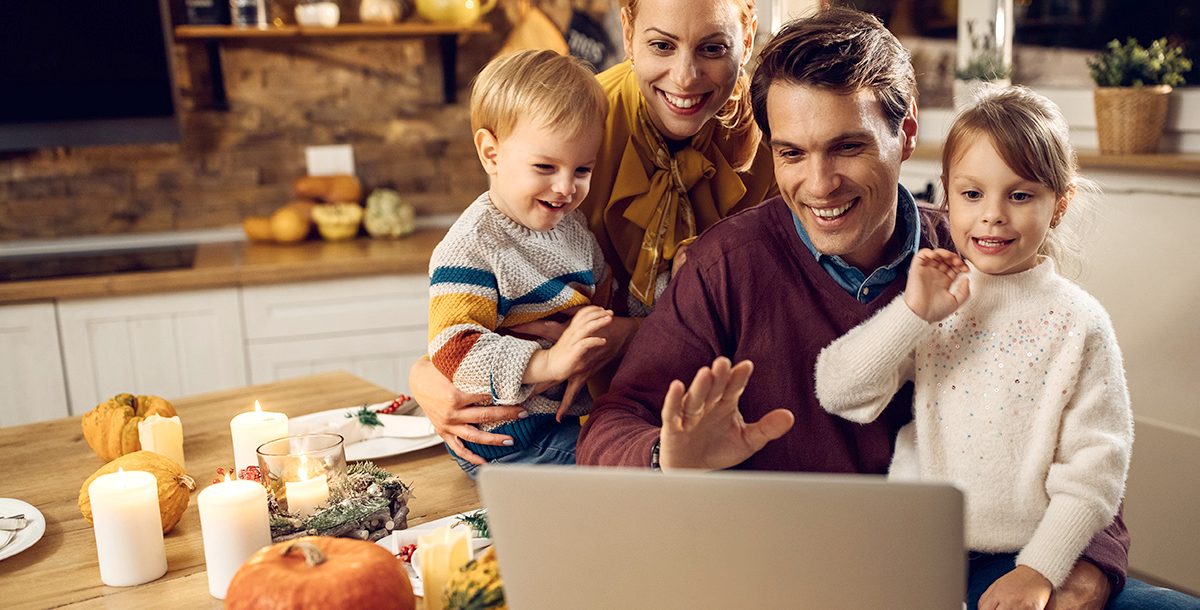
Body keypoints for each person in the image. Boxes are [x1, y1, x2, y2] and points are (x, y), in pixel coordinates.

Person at [575, 8, 1179, 608]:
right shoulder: (725, 266)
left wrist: (1085, 572)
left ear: (907, 133)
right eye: (791, 153)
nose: (819, 184)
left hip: (983, 572)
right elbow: (612, 424)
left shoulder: (983, 258)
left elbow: (1091, 465)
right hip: (794, 577)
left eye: (847, 147)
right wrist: (667, 459)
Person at [410, 0, 776, 466]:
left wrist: (642, 324)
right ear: (627, 32)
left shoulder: (780, 135)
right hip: (576, 418)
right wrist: (424, 373)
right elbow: (473, 302)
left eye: (712, 47)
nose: (685, 77)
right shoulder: (578, 117)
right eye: (662, 44)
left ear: (746, 39)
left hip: (705, 406)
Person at [813, 85, 1133, 610]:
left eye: (1021, 195)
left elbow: (1095, 473)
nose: (993, 215)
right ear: (946, 194)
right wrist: (913, 314)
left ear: (1061, 204)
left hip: (1024, 557)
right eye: (972, 194)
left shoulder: (1080, 324)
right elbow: (839, 390)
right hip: (914, 550)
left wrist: (1038, 571)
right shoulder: (934, 297)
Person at [426, 50, 614, 475]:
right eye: (545, 166)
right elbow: (454, 347)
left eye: (582, 169)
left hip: (559, 421)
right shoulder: (472, 245)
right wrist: (548, 362)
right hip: (502, 440)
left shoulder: (575, 231)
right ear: (491, 154)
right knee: (623, 476)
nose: (566, 187)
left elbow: (608, 299)